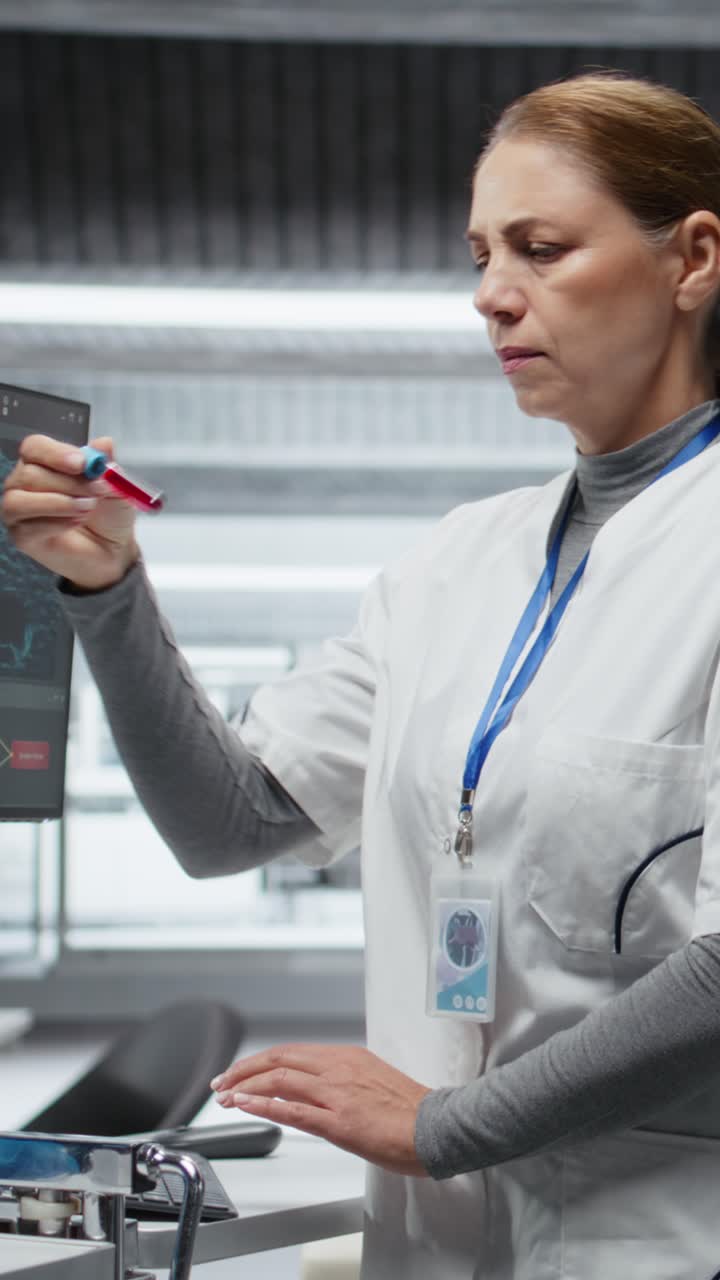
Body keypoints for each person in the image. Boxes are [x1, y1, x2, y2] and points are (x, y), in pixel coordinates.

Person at [4, 68, 720, 1279]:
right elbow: (230, 821)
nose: (494, 295)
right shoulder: (455, 562)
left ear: (695, 258)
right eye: (481, 253)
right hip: (436, 1237)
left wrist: (446, 1124)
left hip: (652, 1232)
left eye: (542, 249)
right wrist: (108, 593)